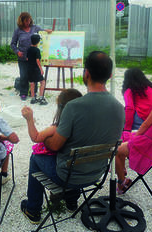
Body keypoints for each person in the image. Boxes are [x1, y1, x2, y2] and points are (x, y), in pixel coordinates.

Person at [20, 51, 125, 224]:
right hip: (96, 174)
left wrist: (45, 137)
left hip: (68, 176)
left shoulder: (74, 107)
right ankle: (71, 202)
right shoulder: (119, 108)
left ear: (86, 73)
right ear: (110, 75)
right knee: (77, 154)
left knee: (35, 158)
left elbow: (54, 146)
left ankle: (33, 210)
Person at [21, 88, 83, 156]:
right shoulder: (82, 126)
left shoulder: (56, 128)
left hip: (57, 161)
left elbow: (35, 137)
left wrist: (29, 119)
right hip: (77, 159)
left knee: (35, 156)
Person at [10, 12, 52, 101]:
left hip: (33, 58)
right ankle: (23, 92)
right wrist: (17, 52)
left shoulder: (35, 28)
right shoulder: (18, 31)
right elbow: (13, 43)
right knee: (24, 75)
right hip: (23, 58)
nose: (28, 23)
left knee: (34, 74)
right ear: (21, 21)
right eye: (26, 21)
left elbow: (42, 32)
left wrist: (47, 31)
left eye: (29, 21)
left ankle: (33, 92)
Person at [121, 68, 152, 140]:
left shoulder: (129, 90)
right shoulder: (149, 87)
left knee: (119, 119)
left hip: (144, 119)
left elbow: (129, 108)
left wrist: (127, 129)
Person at [27, 34, 47, 105]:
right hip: (36, 69)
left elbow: (27, 58)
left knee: (32, 83)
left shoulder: (28, 49)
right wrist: (41, 69)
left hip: (29, 68)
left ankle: (33, 98)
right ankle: (41, 98)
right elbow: (37, 60)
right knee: (42, 82)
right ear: (38, 42)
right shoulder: (37, 50)